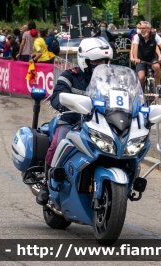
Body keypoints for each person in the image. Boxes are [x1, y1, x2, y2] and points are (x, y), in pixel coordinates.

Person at [36, 37, 113, 205]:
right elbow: (56, 96)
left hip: (101, 125)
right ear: (84, 60)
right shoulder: (70, 76)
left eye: (105, 61)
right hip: (72, 122)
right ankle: (46, 185)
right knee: (59, 142)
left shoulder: (111, 81)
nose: (101, 65)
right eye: (96, 61)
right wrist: (64, 104)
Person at [132, 21, 161, 96]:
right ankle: (141, 93)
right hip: (140, 59)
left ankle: (158, 88)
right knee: (141, 77)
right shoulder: (137, 37)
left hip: (152, 58)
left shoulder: (155, 36)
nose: (142, 30)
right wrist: (135, 58)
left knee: (157, 67)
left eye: (144, 28)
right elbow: (135, 48)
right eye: (141, 28)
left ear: (149, 29)